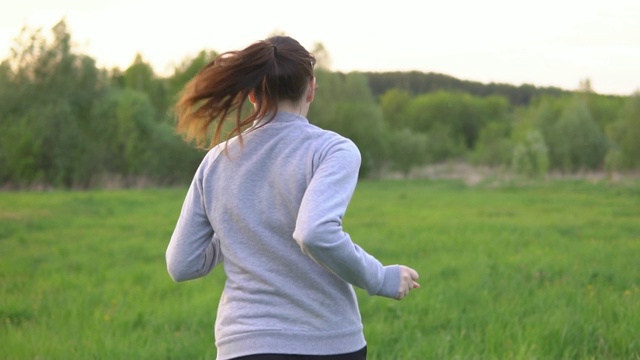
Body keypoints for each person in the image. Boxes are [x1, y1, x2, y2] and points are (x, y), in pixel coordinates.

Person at [165, 35, 420, 360]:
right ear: (311, 88)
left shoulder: (216, 160)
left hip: (242, 346)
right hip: (327, 343)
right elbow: (314, 232)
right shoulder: (332, 150)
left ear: (254, 95)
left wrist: (235, 232)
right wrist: (380, 277)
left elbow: (181, 263)